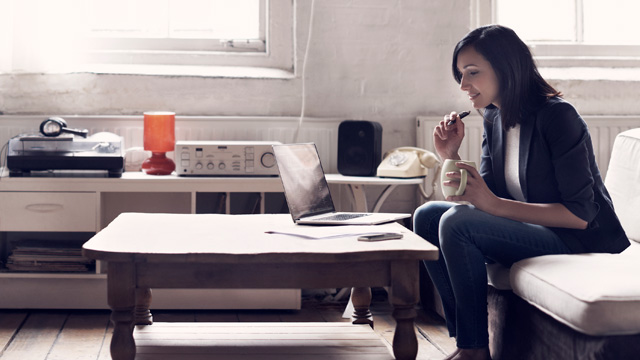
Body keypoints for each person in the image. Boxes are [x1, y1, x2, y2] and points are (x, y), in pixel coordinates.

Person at [413, 25, 629, 360]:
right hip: (535, 231)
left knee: (456, 223)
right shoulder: (494, 119)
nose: (463, 85)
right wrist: (449, 157)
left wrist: (493, 205)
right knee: (428, 217)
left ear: (506, 67)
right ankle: (465, 339)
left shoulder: (558, 117)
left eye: (472, 73)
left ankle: (473, 351)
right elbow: (478, 199)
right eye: (460, 74)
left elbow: (580, 215)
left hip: (577, 239)